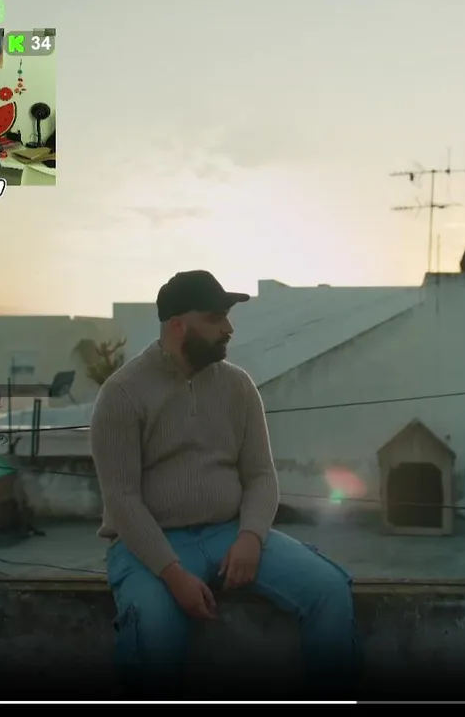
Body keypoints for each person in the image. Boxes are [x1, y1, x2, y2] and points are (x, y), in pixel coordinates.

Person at [90, 270, 358, 698]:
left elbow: (261, 475)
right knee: (153, 633)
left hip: (229, 533)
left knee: (330, 591)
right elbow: (121, 500)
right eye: (216, 318)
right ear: (178, 325)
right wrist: (173, 576)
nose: (228, 328)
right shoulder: (122, 393)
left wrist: (251, 536)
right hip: (150, 545)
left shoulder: (238, 386)